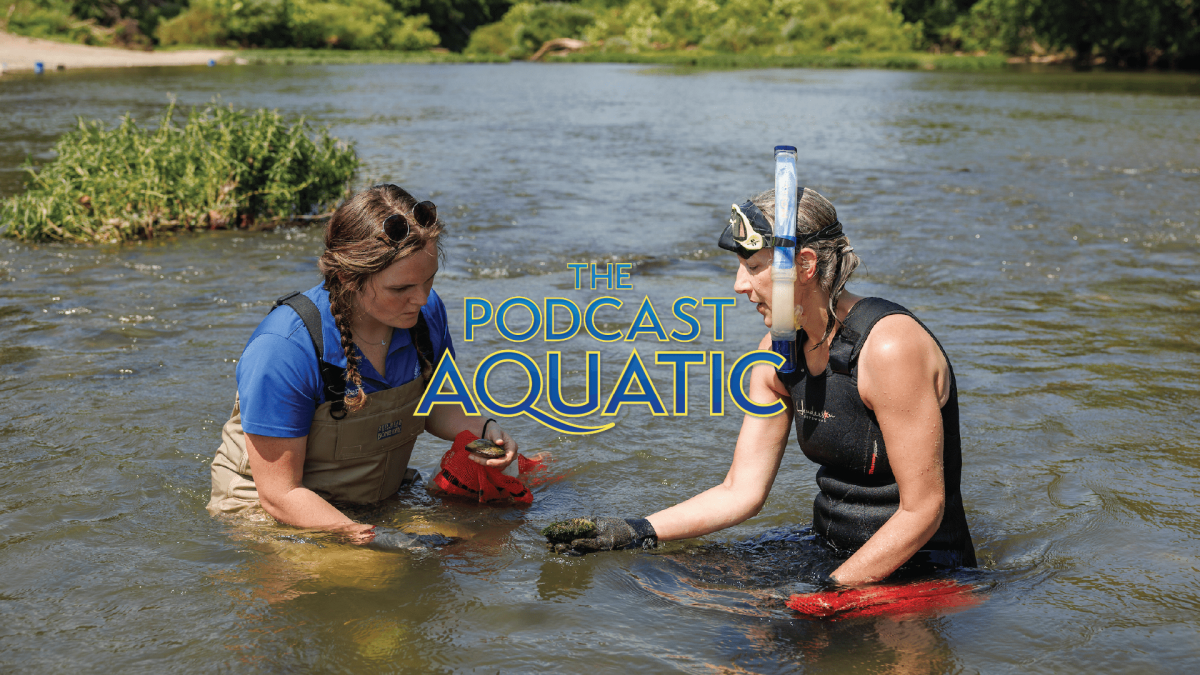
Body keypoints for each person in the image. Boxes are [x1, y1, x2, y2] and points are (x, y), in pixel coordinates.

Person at [546, 188, 975, 587]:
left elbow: (923, 511)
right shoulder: (776, 353)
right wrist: (635, 530)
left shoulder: (887, 346)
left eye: (753, 267)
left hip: (921, 569)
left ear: (804, 265)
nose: (739, 284)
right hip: (830, 551)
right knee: (667, 580)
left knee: (778, 632)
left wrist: (825, 596)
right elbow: (741, 491)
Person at [208, 184, 518, 543]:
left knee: (489, 540)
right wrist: (378, 540)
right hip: (272, 515)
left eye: (429, 280)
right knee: (383, 575)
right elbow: (279, 494)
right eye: (401, 289)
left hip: (373, 500)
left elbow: (436, 405)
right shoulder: (283, 349)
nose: (421, 299)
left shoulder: (425, 315)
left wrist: (484, 430)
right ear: (348, 278)